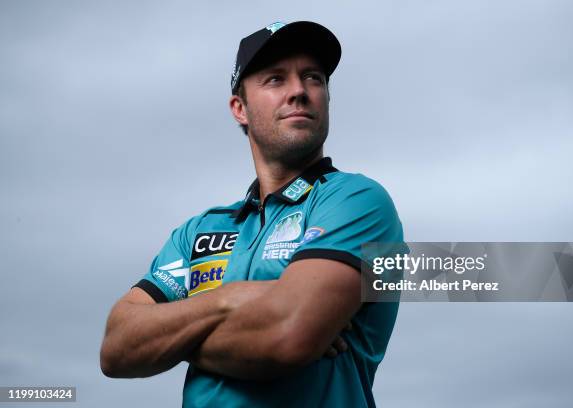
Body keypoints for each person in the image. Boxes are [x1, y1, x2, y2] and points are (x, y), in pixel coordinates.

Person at [100, 21, 403, 407]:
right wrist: (229, 300)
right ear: (239, 109)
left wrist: (171, 340)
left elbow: (287, 335)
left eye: (313, 78)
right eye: (276, 80)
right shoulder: (197, 232)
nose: (299, 91)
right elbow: (116, 347)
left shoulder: (358, 200)